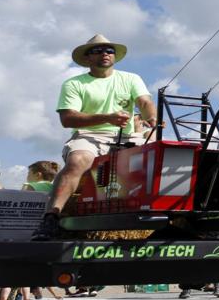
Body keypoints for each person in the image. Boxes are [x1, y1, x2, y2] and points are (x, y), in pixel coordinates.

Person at [34, 34, 158, 241]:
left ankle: (185, 220)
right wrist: (107, 118)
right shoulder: (74, 83)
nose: (105, 54)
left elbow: (144, 102)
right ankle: (51, 218)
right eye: (98, 51)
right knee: (77, 161)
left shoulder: (131, 78)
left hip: (126, 136)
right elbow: (68, 119)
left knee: (164, 156)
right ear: (88, 58)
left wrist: (152, 117)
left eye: (109, 50)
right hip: (89, 134)